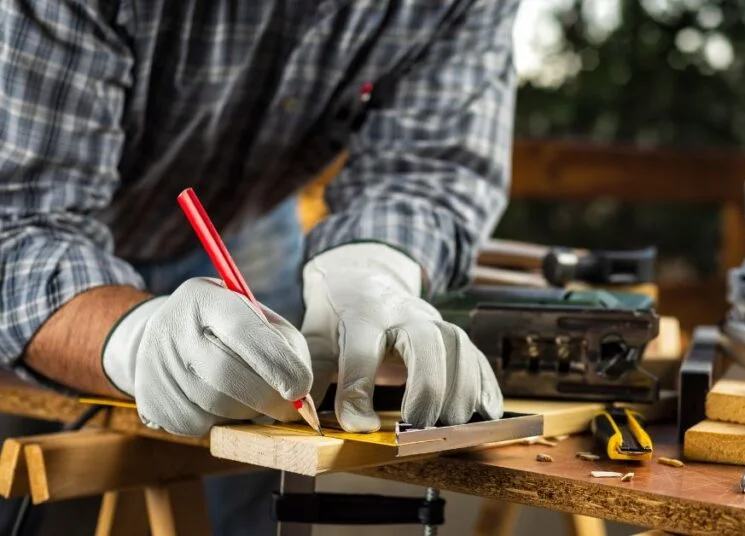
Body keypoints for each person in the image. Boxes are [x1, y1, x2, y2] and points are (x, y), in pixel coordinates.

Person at [0, 1, 519, 534]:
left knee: (264, 441)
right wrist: (130, 339)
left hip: (242, 216)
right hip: (40, 217)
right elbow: (15, 220)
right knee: (23, 479)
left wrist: (373, 265)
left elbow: (429, 165)